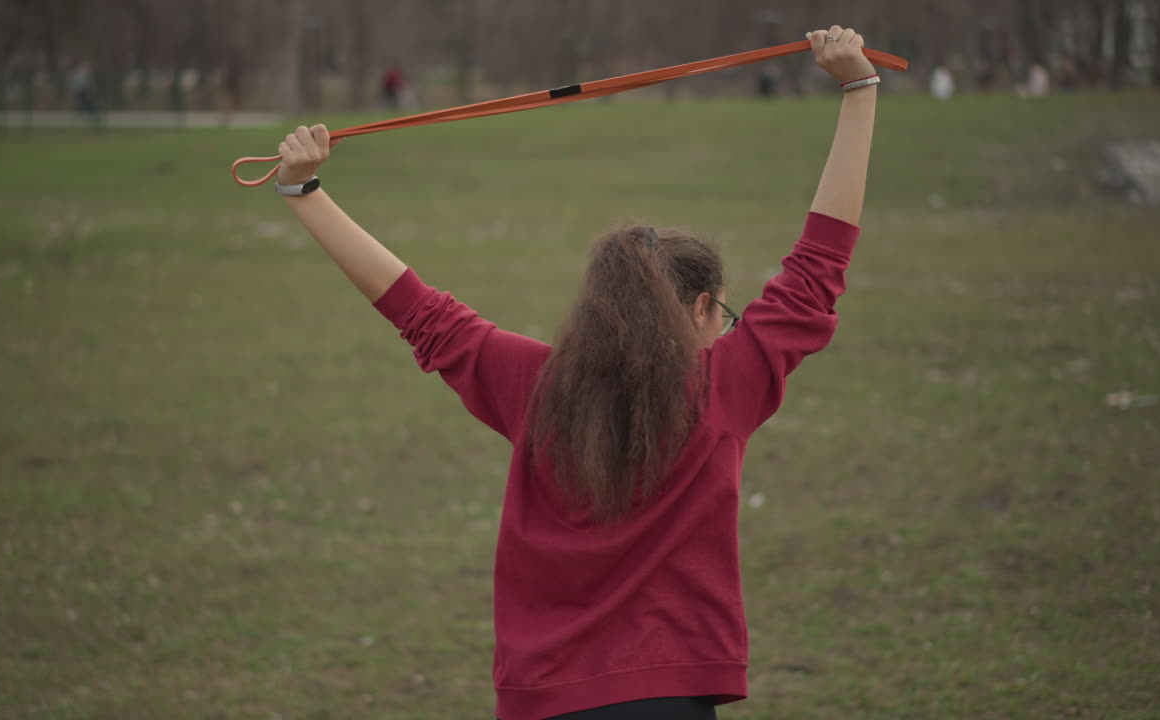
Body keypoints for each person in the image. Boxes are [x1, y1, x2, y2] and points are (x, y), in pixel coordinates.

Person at [270, 23, 877, 720]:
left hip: (543, 700)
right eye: (725, 315)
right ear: (702, 307)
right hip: (667, 697)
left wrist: (303, 191)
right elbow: (816, 269)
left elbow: (416, 308)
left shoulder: (535, 385)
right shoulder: (721, 387)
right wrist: (859, 90)